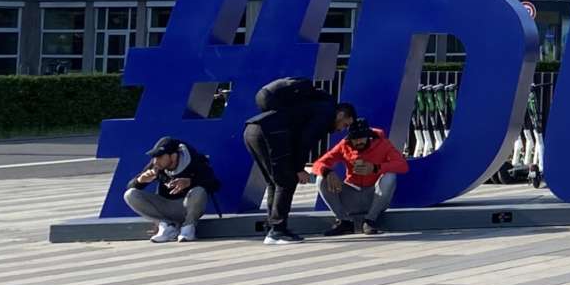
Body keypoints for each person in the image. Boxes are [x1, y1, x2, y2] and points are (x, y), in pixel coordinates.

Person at [244, 78, 353, 244]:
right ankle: (278, 231)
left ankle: (273, 228)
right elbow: (305, 141)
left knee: (275, 182)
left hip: (253, 130)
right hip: (271, 133)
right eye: (344, 124)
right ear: (341, 114)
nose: (341, 130)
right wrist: (299, 168)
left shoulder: (314, 106)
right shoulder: (326, 114)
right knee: (286, 181)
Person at [310, 116, 408, 236]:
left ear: (369, 136)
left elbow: (402, 165)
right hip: (351, 195)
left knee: (390, 176)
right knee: (321, 178)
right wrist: (328, 172)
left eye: (362, 138)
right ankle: (344, 221)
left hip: (374, 196)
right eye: (354, 139)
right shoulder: (344, 145)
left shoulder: (383, 143)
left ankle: (370, 220)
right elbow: (317, 164)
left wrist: (375, 168)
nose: (358, 142)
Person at [123, 136, 220, 244]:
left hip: (188, 206)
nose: (155, 161)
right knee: (130, 194)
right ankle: (168, 227)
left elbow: (214, 184)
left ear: (173, 156)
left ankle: (188, 228)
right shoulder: (156, 165)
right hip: (166, 206)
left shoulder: (194, 161)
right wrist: (140, 181)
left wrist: (190, 182)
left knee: (199, 191)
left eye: (159, 157)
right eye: (154, 157)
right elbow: (130, 186)